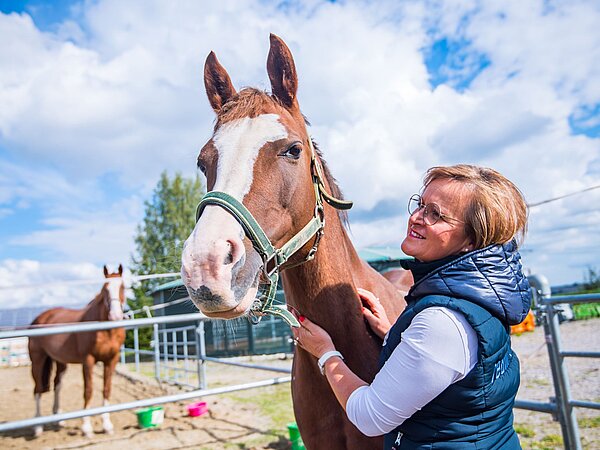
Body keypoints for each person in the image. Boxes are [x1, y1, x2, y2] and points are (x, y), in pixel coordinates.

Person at [291, 164, 531, 449]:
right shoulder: (478, 300)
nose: (416, 218)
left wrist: (326, 353)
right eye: (420, 205)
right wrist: (392, 333)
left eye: (435, 214)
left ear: (471, 240)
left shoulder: (442, 323)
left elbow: (370, 417)